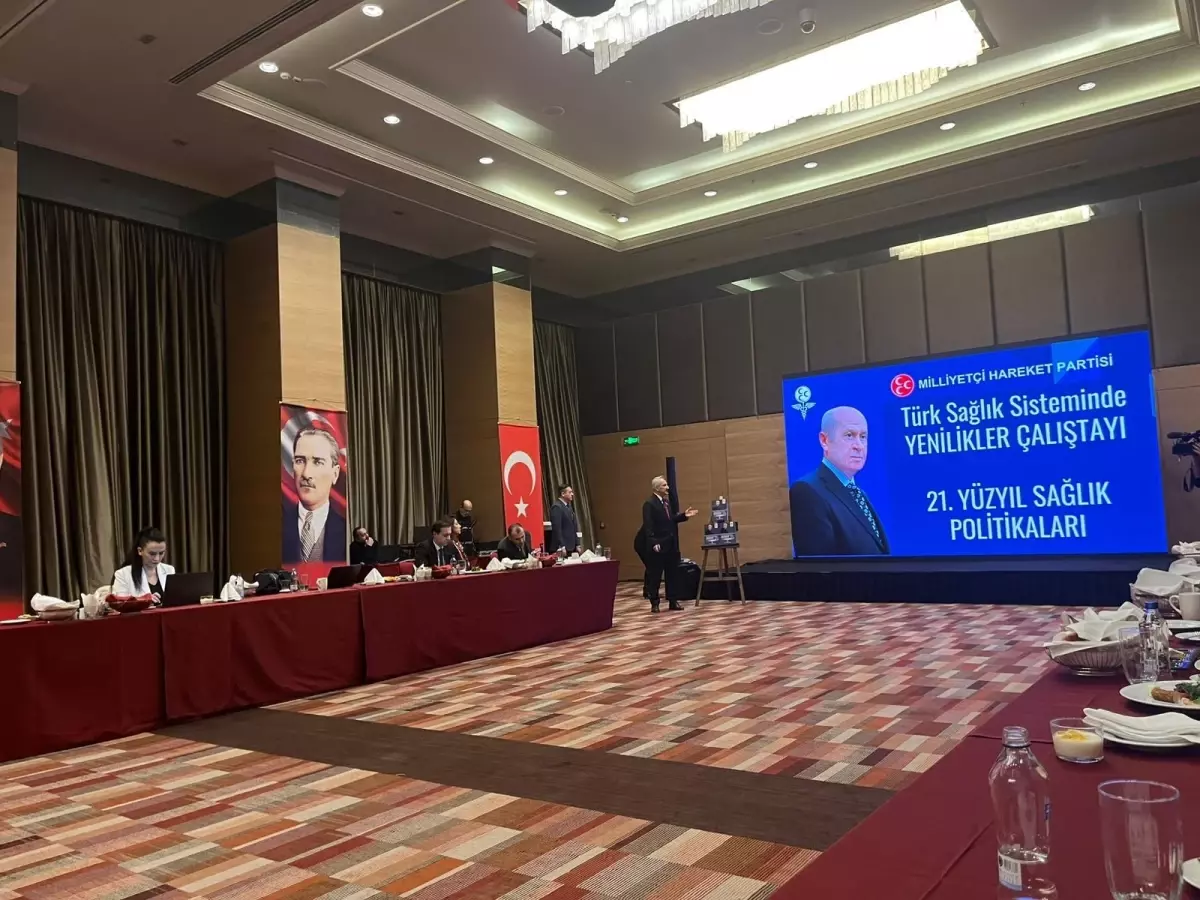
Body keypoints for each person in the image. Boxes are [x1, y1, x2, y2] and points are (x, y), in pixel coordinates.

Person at [789, 406, 890, 557]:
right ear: (824, 441)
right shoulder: (807, 491)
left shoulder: (859, 493)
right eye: (849, 435)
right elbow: (819, 566)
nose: (859, 446)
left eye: (863, 436)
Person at [282, 428, 348, 563]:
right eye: (300, 461)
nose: (306, 474)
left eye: (318, 462)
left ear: (335, 474)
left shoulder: (347, 531)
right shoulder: (277, 527)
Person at [640, 476, 698, 613]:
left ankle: (673, 600)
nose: (667, 488)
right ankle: (655, 602)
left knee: (672, 574)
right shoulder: (649, 504)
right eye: (664, 485)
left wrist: (684, 516)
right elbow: (648, 525)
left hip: (671, 544)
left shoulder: (666, 502)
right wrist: (653, 542)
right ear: (657, 488)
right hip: (659, 545)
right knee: (655, 575)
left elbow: (670, 519)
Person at [113, 527, 174, 601]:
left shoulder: (169, 570)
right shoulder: (123, 574)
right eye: (152, 554)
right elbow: (119, 603)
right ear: (140, 551)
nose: (157, 559)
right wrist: (143, 600)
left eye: (161, 553)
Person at [549, 484, 580, 554]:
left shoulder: (568, 507)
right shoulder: (557, 507)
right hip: (562, 548)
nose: (572, 494)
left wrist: (577, 544)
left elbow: (573, 527)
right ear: (563, 494)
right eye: (570, 492)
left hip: (571, 546)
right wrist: (562, 546)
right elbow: (557, 528)